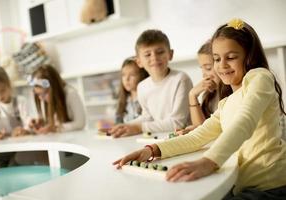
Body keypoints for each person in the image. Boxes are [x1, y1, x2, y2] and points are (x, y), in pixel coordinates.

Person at [113, 19, 286, 199]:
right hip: (241, 184)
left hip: (271, 186)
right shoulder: (226, 104)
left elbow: (245, 122)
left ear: (249, 56)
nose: (222, 65)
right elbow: (197, 136)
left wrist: (208, 162)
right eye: (217, 59)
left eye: (231, 57)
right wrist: (152, 150)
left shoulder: (259, 77)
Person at [102, 29, 193, 138]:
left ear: (170, 54)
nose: (154, 57)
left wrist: (139, 128)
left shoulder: (181, 79)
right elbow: (147, 117)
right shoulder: (142, 86)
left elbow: (178, 123)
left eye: (160, 52)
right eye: (147, 54)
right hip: (159, 138)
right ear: (139, 61)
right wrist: (123, 126)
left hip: (183, 138)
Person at [0, 66, 30, 167]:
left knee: (15, 165)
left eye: (2, 90)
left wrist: (23, 130)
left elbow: (28, 122)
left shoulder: (20, 101)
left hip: (21, 149)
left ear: (9, 85)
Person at [176, 40, 220, 135]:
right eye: (202, 68)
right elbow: (201, 128)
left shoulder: (232, 95)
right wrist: (192, 95)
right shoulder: (211, 94)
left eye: (208, 68)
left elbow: (208, 132)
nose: (204, 74)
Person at [28, 65, 86, 134]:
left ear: (55, 88)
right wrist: (41, 123)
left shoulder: (71, 94)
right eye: (38, 94)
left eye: (45, 93)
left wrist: (55, 128)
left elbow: (80, 124)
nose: (41, 98)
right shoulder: (46, 99)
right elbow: (54, 122)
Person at [115, 56, 149, 124]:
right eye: (124, 75)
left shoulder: (147, 98)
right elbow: (118, 123)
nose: (126, 79)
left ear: (142, 75)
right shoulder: (124, 100)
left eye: (132, 75)